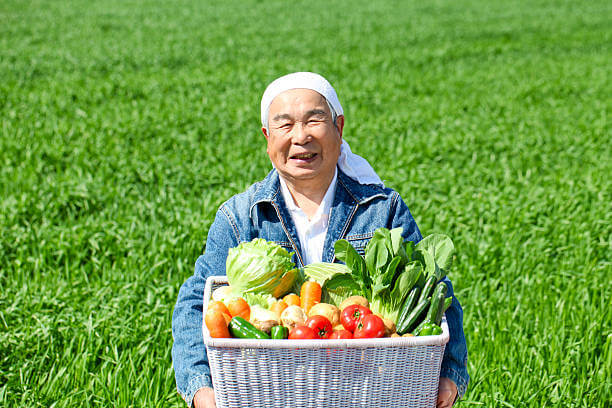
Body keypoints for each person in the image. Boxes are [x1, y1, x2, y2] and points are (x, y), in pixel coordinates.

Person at [172, 72, 469, 408]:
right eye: (285, 125)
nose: (301, 137)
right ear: (267, 137)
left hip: (371, 387)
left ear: (339, 128)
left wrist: (450, 375)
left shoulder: (383, 210)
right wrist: (201, 389)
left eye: (314, 120)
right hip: (266, 389)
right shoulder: (240, 216)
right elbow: (196, 301)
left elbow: (435, 291)